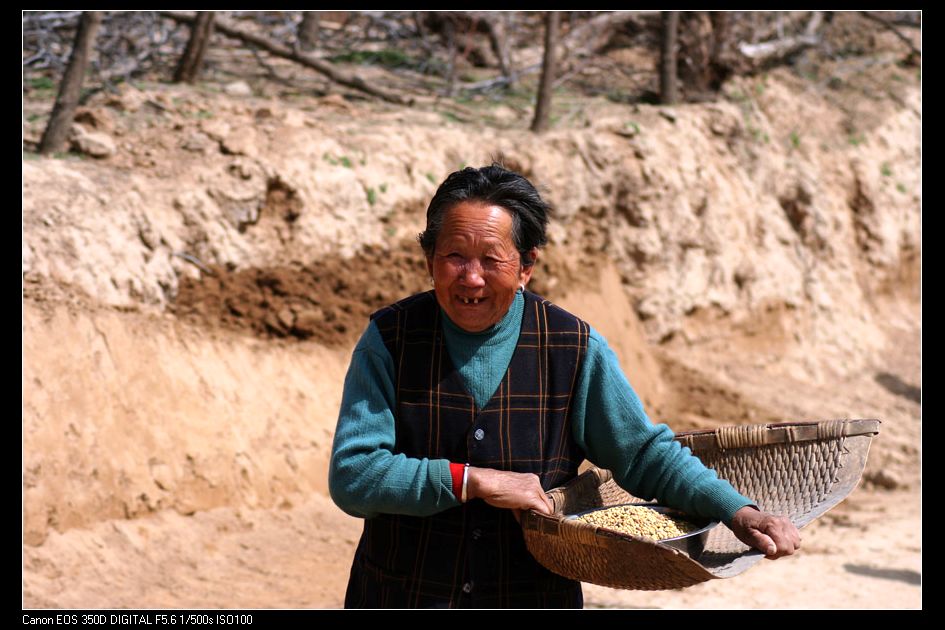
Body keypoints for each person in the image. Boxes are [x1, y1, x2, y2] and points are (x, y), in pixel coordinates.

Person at [329, 164, 801, 609]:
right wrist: (473, 480)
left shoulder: (571, 346)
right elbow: (354, 475)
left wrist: (738, 512)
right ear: (429, 257)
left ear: (526, 265)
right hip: (400, 593)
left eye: (491, 260)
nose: (470, 278)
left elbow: (644, 455)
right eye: (453, 256)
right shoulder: (391, 339)